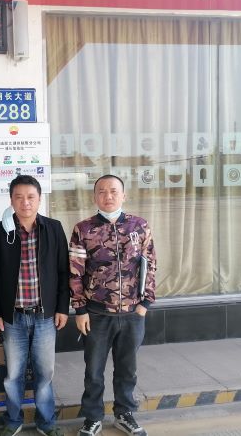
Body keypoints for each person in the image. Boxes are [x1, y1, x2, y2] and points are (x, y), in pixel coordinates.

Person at [69, 175, 156, 436]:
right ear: (94, 196)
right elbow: (75, 272)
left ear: (123, 195)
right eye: (102, 191)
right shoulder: (83, 229)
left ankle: (124, 414)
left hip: (132, 313)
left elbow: (150, 264)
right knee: (94, 370)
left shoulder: (139, 226)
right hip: (97, 313)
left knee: (127, 369)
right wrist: (80, 309)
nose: (108, 196)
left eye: (114, 191)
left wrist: (145, 303)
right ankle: (92, 417)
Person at [0, 175, 70, 436]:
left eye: (31, 197)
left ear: (39, 199)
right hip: (13, 318)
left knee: (45, 373)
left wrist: (62, 308)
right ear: (11, 200)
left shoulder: (53, 228)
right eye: (19, 197)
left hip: (45, 316)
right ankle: (13, 420)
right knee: (13, 375)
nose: (25, 202)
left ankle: (46, 422)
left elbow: (64, 272)